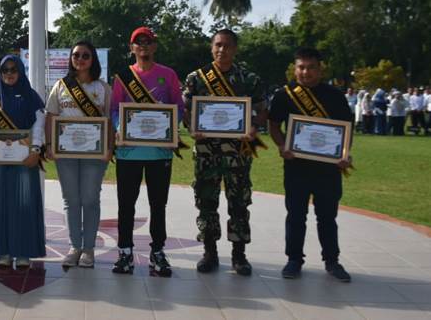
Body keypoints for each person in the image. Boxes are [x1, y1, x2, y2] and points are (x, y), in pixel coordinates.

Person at [183, 29, 267, 276]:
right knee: (206, 201)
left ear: (235, 48)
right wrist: (191, 128)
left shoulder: (249, 79)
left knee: (239, 203)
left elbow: (263, 110)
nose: (222, 50)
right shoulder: (196, 78)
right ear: (211, 48)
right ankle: (210, 253)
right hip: (206, 153)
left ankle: (239, 255)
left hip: (238, 153)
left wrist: (253, 127)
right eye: (218, 45)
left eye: (228, 45)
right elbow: (185, 110)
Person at [268, 47, 354, 282]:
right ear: (295, 69)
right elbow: (273, 125)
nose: (306, 72)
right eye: (301, 67)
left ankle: (332, 261)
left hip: (328, 168)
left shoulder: (335, 95)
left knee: (327, 216)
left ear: (320, 69)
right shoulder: (284, 95)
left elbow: (347, 130)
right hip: (297, 166)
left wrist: (346, 154)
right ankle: (294, 260)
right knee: (296, 215)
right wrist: (282, 146)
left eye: (311, 67)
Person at [107, 28, 185, 276]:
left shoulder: (168, 75)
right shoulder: (123, 78)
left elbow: (179, 108)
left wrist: (171, 128)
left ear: (154, 46)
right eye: (137, 43)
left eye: (147, 42)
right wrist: (121, 128)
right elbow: (115, 110)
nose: (142, 46)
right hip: (129, 152)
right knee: (125, 204)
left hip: (159, 153)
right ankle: (125, 252)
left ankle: (158, 252)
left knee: (158, 204)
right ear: (132, 48)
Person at [44, 41, 112, 269]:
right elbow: (50, 117)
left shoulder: (103, 88)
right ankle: (75, 246)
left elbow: (110, 121)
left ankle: (89, 249)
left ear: (92, 59)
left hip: (94, 154)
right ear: (70, 59)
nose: (80, 59)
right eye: (76, 55)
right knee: (71, 200)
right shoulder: (61, 86)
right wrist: (50, 144)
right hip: (66, 154)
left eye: (85, 55)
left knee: (90, 199)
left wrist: (109, 148)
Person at [0, 55, 46, 268]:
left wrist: (35, 150)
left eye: (13, 69)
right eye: (5, 70)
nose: (9, 73)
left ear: (21, 71)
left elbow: (38, 125)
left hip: (25, 159)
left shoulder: (31, 96)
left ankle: (23, 251)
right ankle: (2, 251)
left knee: (23, 203)